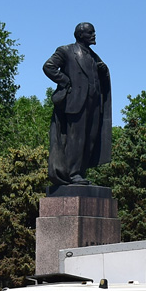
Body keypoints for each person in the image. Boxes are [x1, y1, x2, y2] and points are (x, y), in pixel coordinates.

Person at [42, 22, 112, 192]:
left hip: (93, 105)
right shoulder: (66, 51)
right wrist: (66, 81)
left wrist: (103, 71)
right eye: (90, 32)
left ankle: (80, 172)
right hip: (76, 102)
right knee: (76, 138)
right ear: (81, 35)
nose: (94, 35)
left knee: (90, 138)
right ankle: (72, 173)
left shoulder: (94, 56)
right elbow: (48, 66)